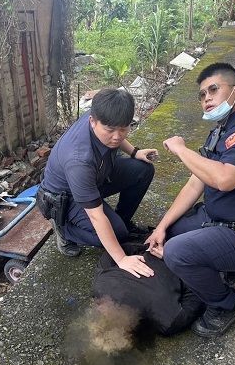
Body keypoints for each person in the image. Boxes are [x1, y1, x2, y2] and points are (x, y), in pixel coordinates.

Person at [145, 62, 235, 337]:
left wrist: (180, 150)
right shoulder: (221, 130)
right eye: (202, 94)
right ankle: (232, 272)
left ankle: (227, 305)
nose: (207, 98)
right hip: (224, 219)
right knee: (170, 234)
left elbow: (224, 179)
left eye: (213, 89)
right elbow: (194, 183)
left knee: (176, 253)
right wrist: (161, 226)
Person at [40, 88, 158, 278]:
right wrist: (121, 259)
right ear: (92, 121)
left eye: (124, 128)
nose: (118, 136)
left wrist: (135, 152)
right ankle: (65, 230)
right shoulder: (79, 159)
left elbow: (116, 134)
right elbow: (96, 216)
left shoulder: (105, 112)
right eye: (110, 130)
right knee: (117, 235)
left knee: (143, 170)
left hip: (98, 174)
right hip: (66, 196)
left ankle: (121, 221)